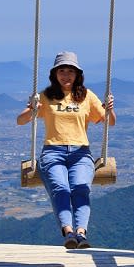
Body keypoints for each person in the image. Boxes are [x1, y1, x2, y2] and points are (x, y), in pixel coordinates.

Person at [16, 51, 116, 249]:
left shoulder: (87, 96)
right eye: (62, 70)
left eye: (70, 71)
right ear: (55, 74)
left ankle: (81, 232)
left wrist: (110, 108)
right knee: (61, 189)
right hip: (53, 151)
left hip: (81, 153)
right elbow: (20, 121)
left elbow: (109, 122)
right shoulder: (45, 96)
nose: (66, 75)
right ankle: (68, 231)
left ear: (77, 74)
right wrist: (32, 108)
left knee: (81, 188)